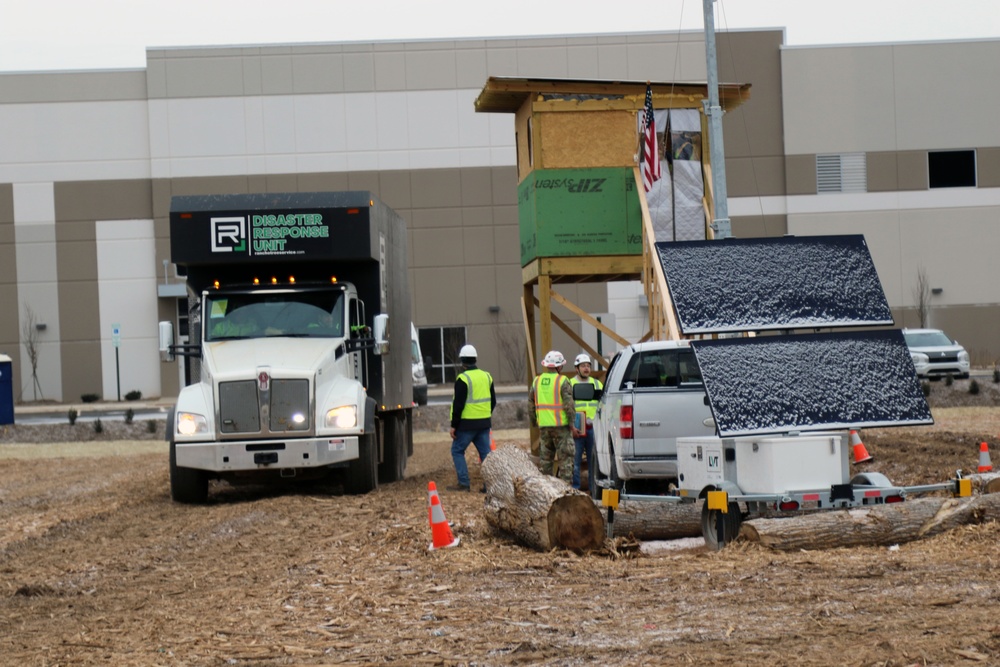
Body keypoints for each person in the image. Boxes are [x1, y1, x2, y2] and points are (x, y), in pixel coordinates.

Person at [447, 344, 496, 492]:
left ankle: (464, 483)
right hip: (484, 423)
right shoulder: (487, 376)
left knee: (457, 451)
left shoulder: (463, 379)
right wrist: (485, 415)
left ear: (462, 361)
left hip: (466, 425)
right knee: (486, 455)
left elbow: (458, 404)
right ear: (475, 359)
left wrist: (454, 425)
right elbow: (493, 401)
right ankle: (490, 486)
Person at [529, 350, 575, 484]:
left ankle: (547, 493)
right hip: (562, 428)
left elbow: (531, 404)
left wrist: (534, 422)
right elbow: (569, 405)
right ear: (559, 366)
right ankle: (566, 492)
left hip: (544, 428)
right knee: (565, 462)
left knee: (545, 463)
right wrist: (572, 423)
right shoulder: (563, 381)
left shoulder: (536, 381)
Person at [569, 353, 603, 491]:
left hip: (593, 427)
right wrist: (571, 427)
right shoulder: (570, 384)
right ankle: (575, 490)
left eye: (588, 366)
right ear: (577, 368)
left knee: (593, 462)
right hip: (577, 428)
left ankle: (593, 490)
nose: (586, 368)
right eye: (583, 366)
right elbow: (566, 407)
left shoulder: (597, 384)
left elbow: (603, 404)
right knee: (575, 462)